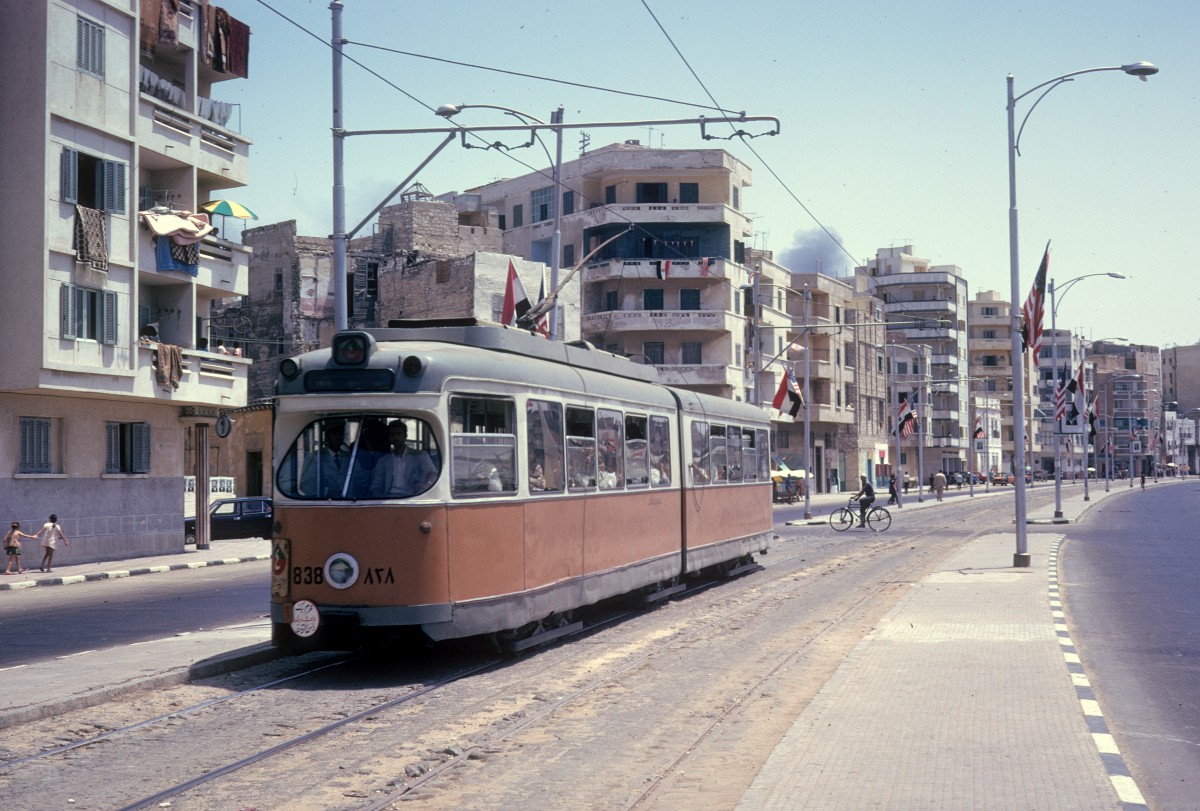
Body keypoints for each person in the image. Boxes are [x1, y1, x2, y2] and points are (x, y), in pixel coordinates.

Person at [371, 421, 438, 497]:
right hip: (388, 498)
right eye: (392, 434)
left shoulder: (419, 455)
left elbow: (433, 473)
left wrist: (426, 484)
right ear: (389, 437)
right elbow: (376, 484)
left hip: (412, 497)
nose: (395, 437)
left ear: (405, 436)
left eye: (399, 434)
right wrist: (380, 500)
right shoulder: (383, 460)